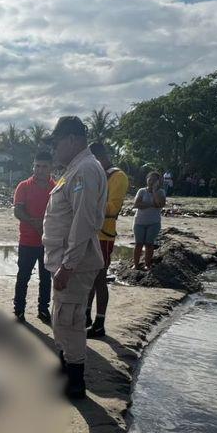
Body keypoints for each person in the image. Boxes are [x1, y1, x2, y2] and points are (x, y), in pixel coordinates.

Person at [42, 116, 106, 400]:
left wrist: (67, 266)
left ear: (71, 139)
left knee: (70, 319)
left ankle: (75, 382)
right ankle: (66, 370)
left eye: (56, 143)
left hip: (74, 263)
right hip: (65, 261)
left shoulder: (85, 170)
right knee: (63, 318)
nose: (53, 150)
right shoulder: (75, 169)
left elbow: (83, 222)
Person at [86, 141, 129, 339]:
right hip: (87, 233)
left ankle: (99, 322)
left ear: (99, 158)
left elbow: (112, 208)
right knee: (86, 279)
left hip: (103, 235)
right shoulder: (94, 174)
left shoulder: (117, 176)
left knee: (99, 279)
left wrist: (88, 204)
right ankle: (86, 316)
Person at [12, 150, 55, 323]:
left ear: (50, 168)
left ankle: (43, 309)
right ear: (33, 166)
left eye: (44, 167)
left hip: (49, 241)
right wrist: (33, 222)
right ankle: (19, 310)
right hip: (27, 240)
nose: (40, 170)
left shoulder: (56, 187)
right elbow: (17, 210)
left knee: (46, 278)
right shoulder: (23, 186)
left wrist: (44, 225)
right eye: (37, 166)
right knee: (23, 276)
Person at [133, 171, 166, 269]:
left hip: (154, 223)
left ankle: (147, 264)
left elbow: (160, 204)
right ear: (147, 179)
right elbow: (137, 205)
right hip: (139, 222)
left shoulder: (161, 192)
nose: (151, 182)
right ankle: (136, 265)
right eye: (150, 179)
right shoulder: (141, 191)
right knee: (138, 244)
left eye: (154, 180)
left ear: (159, 182)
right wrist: (151, 205)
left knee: (149, 244)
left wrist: (155, 191)